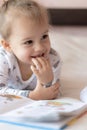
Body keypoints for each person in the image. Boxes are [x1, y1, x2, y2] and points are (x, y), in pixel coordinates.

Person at [0, 0, 61, 100]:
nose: (40, 48)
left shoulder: (53, 59)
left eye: (44, 36)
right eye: (28, 42)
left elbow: (53, 93)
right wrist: (32, 95)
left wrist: (47, 81)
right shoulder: (4, 59)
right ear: (8, 45)